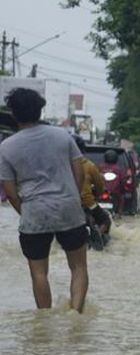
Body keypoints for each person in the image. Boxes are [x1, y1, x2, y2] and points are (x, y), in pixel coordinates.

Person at [0, 88, 90, 312]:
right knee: (78, 267)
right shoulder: (62, 135)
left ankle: (45, 320)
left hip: (34, 213)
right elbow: (80, 172)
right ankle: (76, 314)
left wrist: (27, 210)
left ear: (13, 113)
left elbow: (10, 191)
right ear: (40, 110)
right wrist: (72, 197)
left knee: (39, 273)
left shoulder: (6, 147)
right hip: (69, 209)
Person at [74, 135, 112, 245]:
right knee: (105, 219)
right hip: (88, 203)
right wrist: (98, 194)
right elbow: (100, 186)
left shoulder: (62, 165)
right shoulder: (89, 165)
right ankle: (99, 234)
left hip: (66, 204)